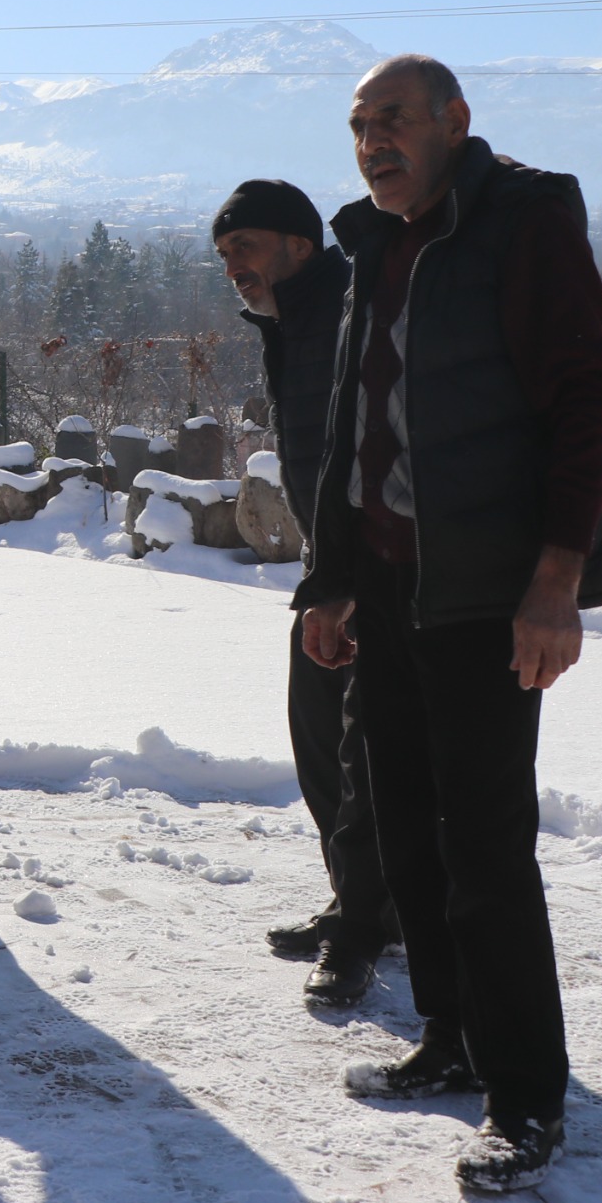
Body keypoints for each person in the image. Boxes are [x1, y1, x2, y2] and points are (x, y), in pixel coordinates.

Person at [296, 54, 602, 1194]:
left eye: (391, 120)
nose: (372, 142)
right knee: (406, 825)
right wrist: (333, 577)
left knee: (484, 844)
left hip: (488, 591)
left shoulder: (522, 223)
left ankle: (525, 1096)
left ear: (454, 121)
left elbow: (587, 398)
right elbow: (356, 426)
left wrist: (557, 580)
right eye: (358, 125)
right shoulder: (375, 243)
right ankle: (451, 1036)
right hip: (390, 586)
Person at [215, 179, 396, 1008]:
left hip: (371, 566)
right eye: (225, 254)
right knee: (324, 737)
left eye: (245, 247)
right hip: (335, 563)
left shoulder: (341, 313)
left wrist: (348, 580)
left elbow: (365, 454)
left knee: (362, 751)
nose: (234, 266)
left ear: (299, 243)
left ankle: (365, 923)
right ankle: (362, 901)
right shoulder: (297, 319)